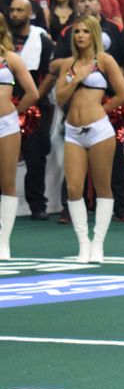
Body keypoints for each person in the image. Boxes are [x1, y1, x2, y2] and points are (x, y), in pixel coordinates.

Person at [56, 14, 124, 263]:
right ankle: (83, 243)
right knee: (74, 188)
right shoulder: (68, 64)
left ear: (94, 35)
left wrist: (102, 112)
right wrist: (76, 77)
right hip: (73, 132)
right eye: (77, 32)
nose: (80, 36)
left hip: (99, 130)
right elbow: (60, 98)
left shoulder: (105, 60)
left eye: (85, 32)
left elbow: (122, 94)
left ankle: (98, 243)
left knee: (102, 187)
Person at [11, 0, 54, 222]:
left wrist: (35, 98)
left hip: (35, 106)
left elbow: (49, 75)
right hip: (5, 105)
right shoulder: (4, 39)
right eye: (13, 10)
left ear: (30, 13)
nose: (15, 14)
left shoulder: (42, 40)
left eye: (20, 10)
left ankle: (37, 205)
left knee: (35, 158)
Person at [0, 17, 38, 259]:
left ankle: (3, 242)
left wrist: (14, 111)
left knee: (8, 183)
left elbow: (32, 92)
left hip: (6, 125)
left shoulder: (11, 59)